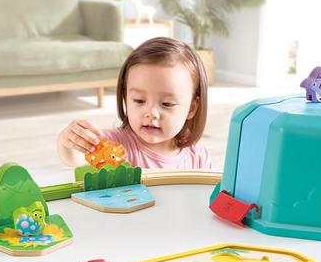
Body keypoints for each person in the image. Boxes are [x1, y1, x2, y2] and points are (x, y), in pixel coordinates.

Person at [57, 37, 212, 170]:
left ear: (191, 108)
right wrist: (68, 141)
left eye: (167, 103)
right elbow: (75, 157)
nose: (151, 113)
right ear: (125, 98)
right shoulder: (115, 145)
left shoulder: (198, 157)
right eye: (139, 100)